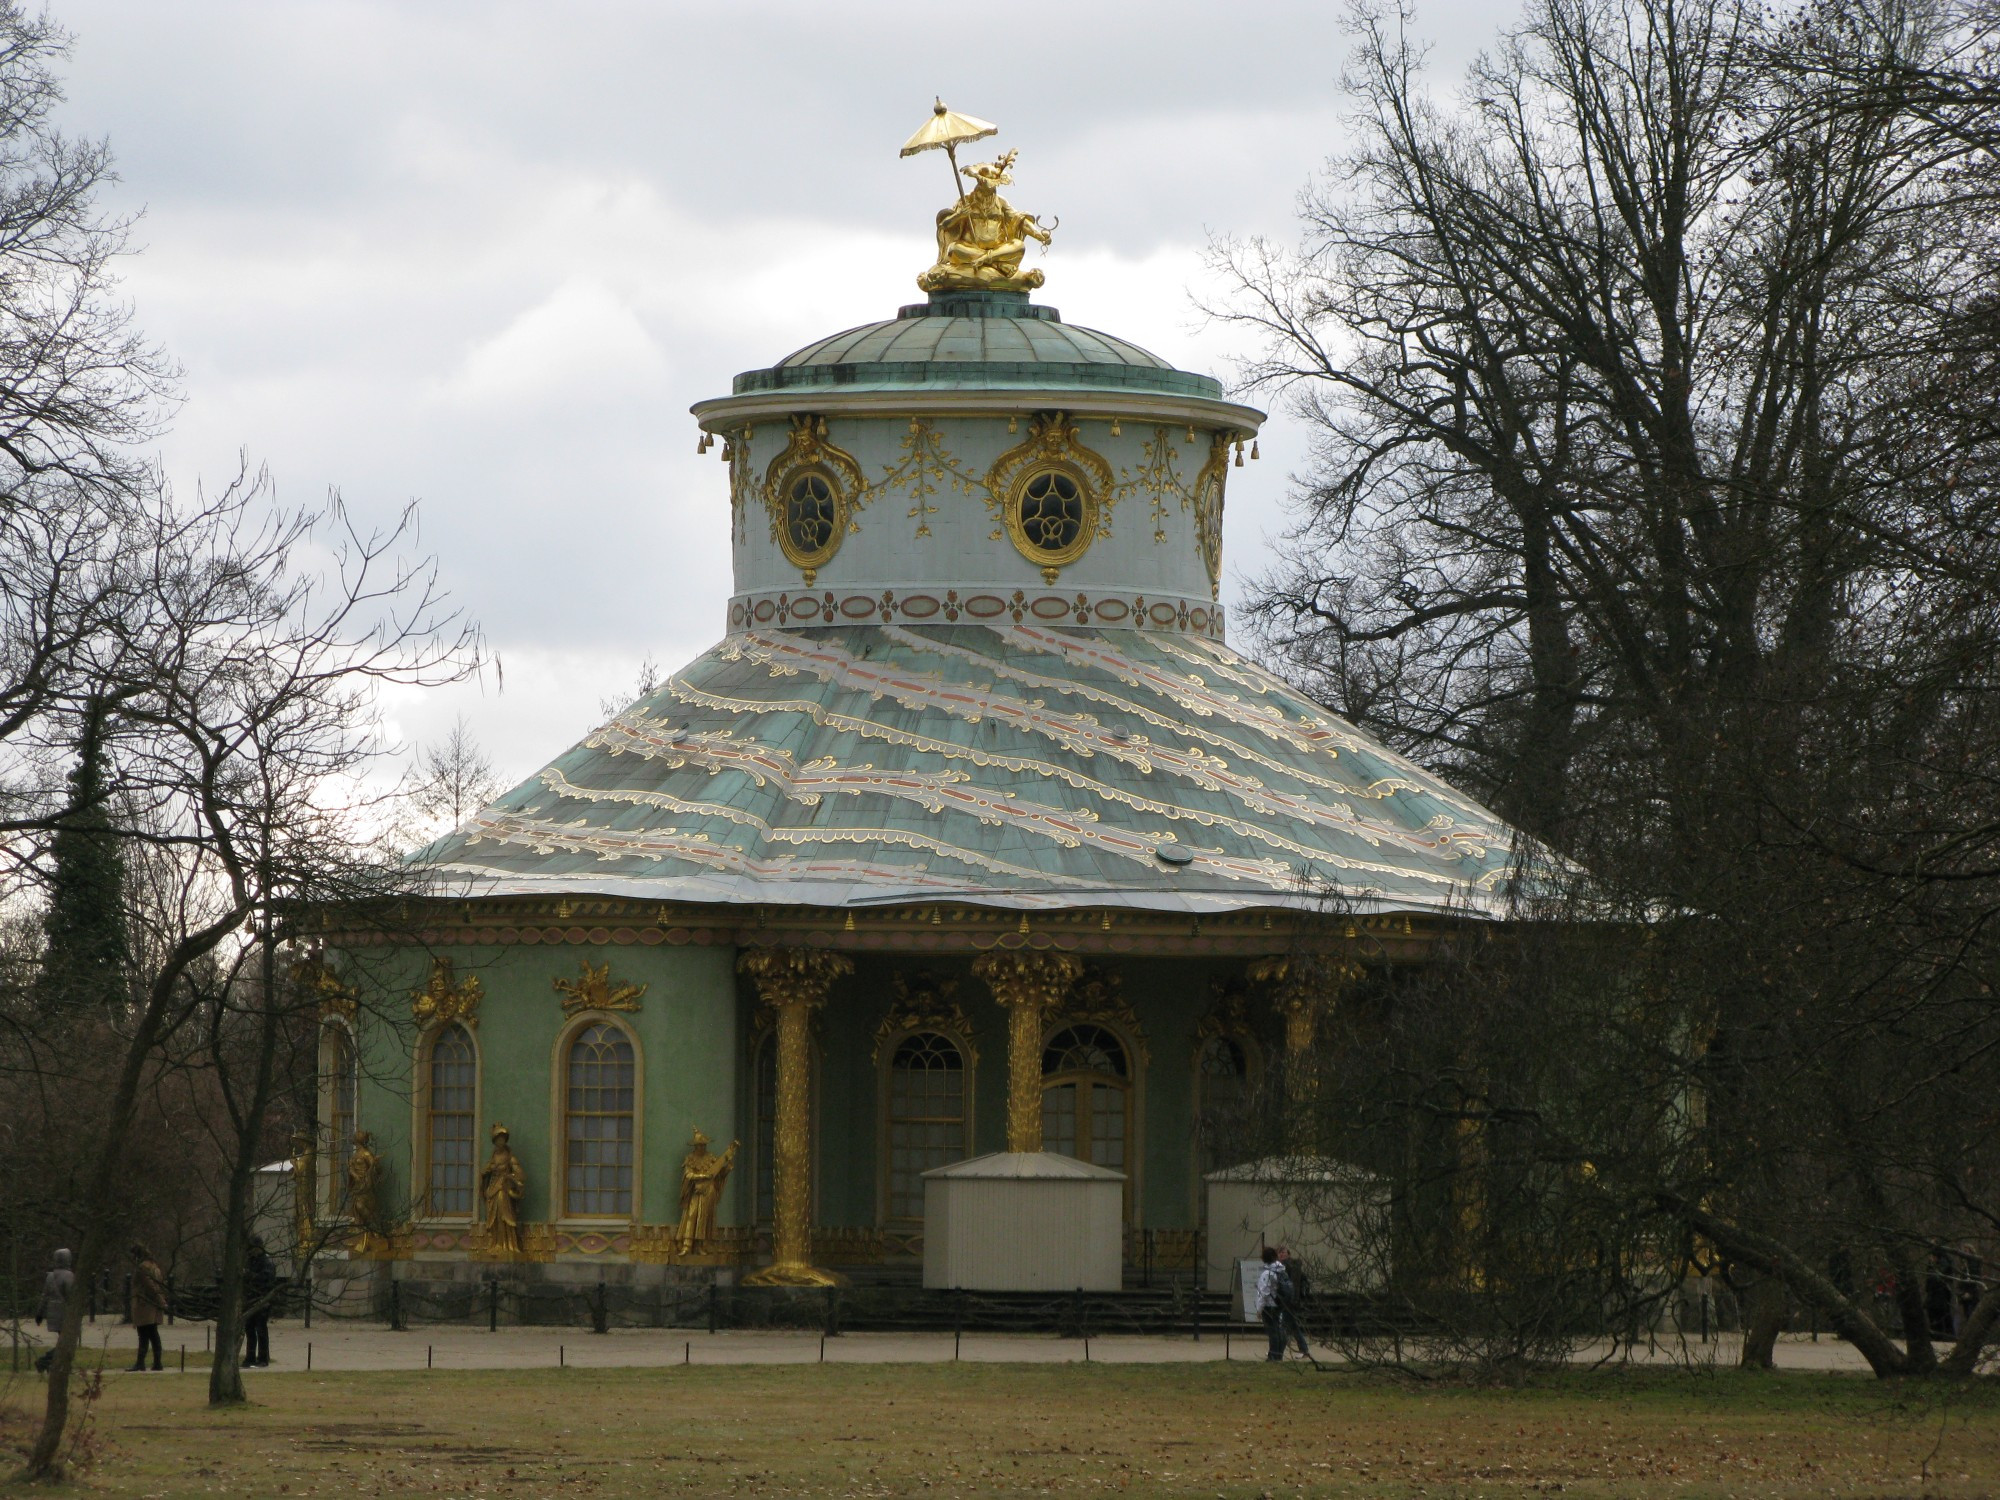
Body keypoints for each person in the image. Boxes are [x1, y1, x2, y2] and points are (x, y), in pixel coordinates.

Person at [34, 1248, 74, 1374]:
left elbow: (44, 1296)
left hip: (52, 1314)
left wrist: (39, 1313)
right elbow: (71, 1296)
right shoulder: (69, 1276)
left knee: (63, 1341)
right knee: (67, 1343)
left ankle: (56, 1364)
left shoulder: (50, 1276)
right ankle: (45, 1361)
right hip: (64, 1313)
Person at [127, 1243, 166, 1372]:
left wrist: (160, 1300)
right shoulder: (155, 1267)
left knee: (144, 1334)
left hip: (145, 1305)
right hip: (152, 1305)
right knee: (152, 1334)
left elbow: (150, 1286)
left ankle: (141, 1363)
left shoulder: (142, 1268)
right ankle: (156, 1362)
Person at [1275, 1246, 1313, 1361]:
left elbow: (1293, 1285)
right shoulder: (1281, 1267)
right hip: (1285, 1300)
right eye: (1280, 1253)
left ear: (1288, 1254)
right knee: (1293, 1326)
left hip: (1289, 1301)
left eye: (1284, 1252)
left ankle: (1277, 1352)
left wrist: (1292, 1299)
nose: (1281, 1254)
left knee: (1285, 1326)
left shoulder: (1291, 1267)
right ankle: (1304, 1349)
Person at [242, 1235, 276, 1368]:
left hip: (262, 1299)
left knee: (261, 1329)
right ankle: (250, 1357)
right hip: (251, 1298)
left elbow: (266, 1280)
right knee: (249, 1328)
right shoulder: (251, 1261)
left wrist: (250, 1275)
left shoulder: (266, 1262)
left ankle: (263, 1358)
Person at [1256, 1246, 1291, 1362]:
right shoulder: (1281, 1270)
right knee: (1278, 1330)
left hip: (1269, 1306)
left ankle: (1273, 1355)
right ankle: (1278, 1354)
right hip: (1280, 1304)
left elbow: (1263, 1293)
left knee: (1272, 1332)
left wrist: (1259, 1309)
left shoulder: (1267, 1273)